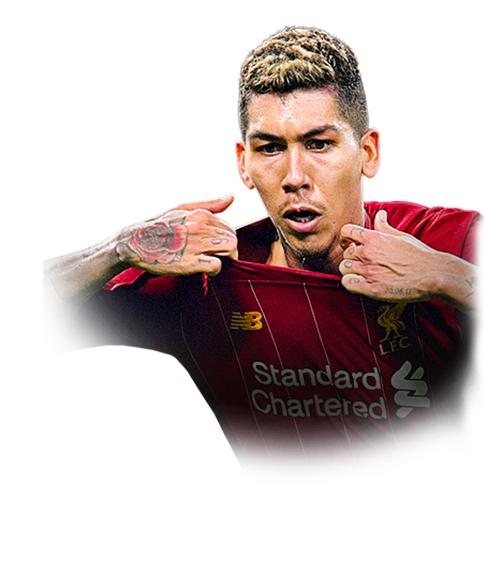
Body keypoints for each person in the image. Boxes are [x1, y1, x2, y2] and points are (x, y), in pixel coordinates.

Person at [44, 27, 485, 486]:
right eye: (270, 148)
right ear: (244, 163)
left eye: (319, 144)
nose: (294, 176)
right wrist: (117, 251)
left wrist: (445, 277)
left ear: (368, 153)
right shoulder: (208, 280)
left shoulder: (447, 243)